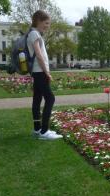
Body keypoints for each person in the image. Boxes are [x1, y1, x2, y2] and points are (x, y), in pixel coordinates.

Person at [27, 10, 62, 140]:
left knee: (37, 99)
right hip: (40, 72)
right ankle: (44, 132)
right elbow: (39, 55)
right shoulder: (34, 34)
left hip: (38, 72)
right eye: (46, 23)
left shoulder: (33, 33)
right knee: (50, 99)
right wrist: (47, 72)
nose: (48, 26)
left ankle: (37, 129)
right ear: (39, 21)